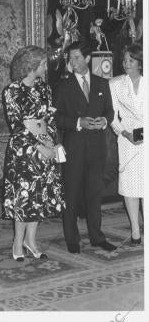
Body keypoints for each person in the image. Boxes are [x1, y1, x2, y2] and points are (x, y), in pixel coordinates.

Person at [2, 45, 65, 261]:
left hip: (45, 147)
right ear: (32, 65)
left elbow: (49, 120)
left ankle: (31, 240)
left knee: (39, 197)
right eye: (43, 63)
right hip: (24, 151)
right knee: (24, 198)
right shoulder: (12, 91)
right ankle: (17, 243)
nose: (46, 67)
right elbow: (17, 126)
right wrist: (40, 147)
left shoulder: (44, 88)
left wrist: (54, 144)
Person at [54, 40, 116, 254]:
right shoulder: (63, 85)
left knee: (94, 194)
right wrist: (79, 122)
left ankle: (97, 237)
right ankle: (72, 240)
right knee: (70, 195)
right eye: (71, 58)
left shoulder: (101, 83)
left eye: (77, 58)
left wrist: (104, 121)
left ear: (88, 59)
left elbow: (110, 111)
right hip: (75, 148)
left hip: (97, 148)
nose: (73, 62)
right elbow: (56, 117)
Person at [109, 44, 144, 245]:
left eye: (130, 61)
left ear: (140, 62)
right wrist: (124, 132)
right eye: (124, 60)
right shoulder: (115, 84)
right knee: (130, 187)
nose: (126, 64)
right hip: (128, 140)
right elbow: (112, 116)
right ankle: (135, 230)